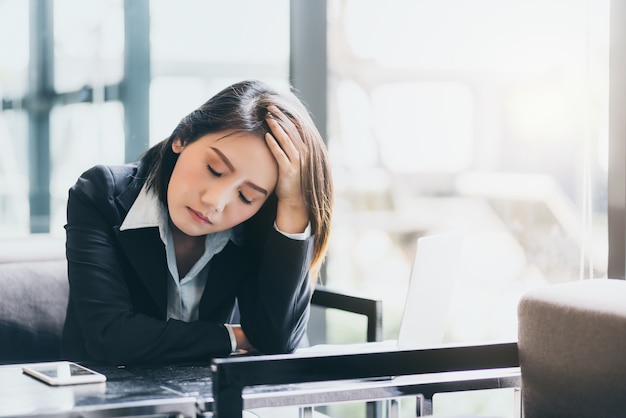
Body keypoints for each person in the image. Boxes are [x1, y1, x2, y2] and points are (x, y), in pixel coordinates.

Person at [61, 80, 334, 365]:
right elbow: (109, 337)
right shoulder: (100, 193)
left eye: (245, 196)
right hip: (107, 400)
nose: (215, 201)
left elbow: (278, 341)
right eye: (214, 170)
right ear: (183, 136)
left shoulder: (254, 225)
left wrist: (293, 206)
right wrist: (234, 337)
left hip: (207, 402)